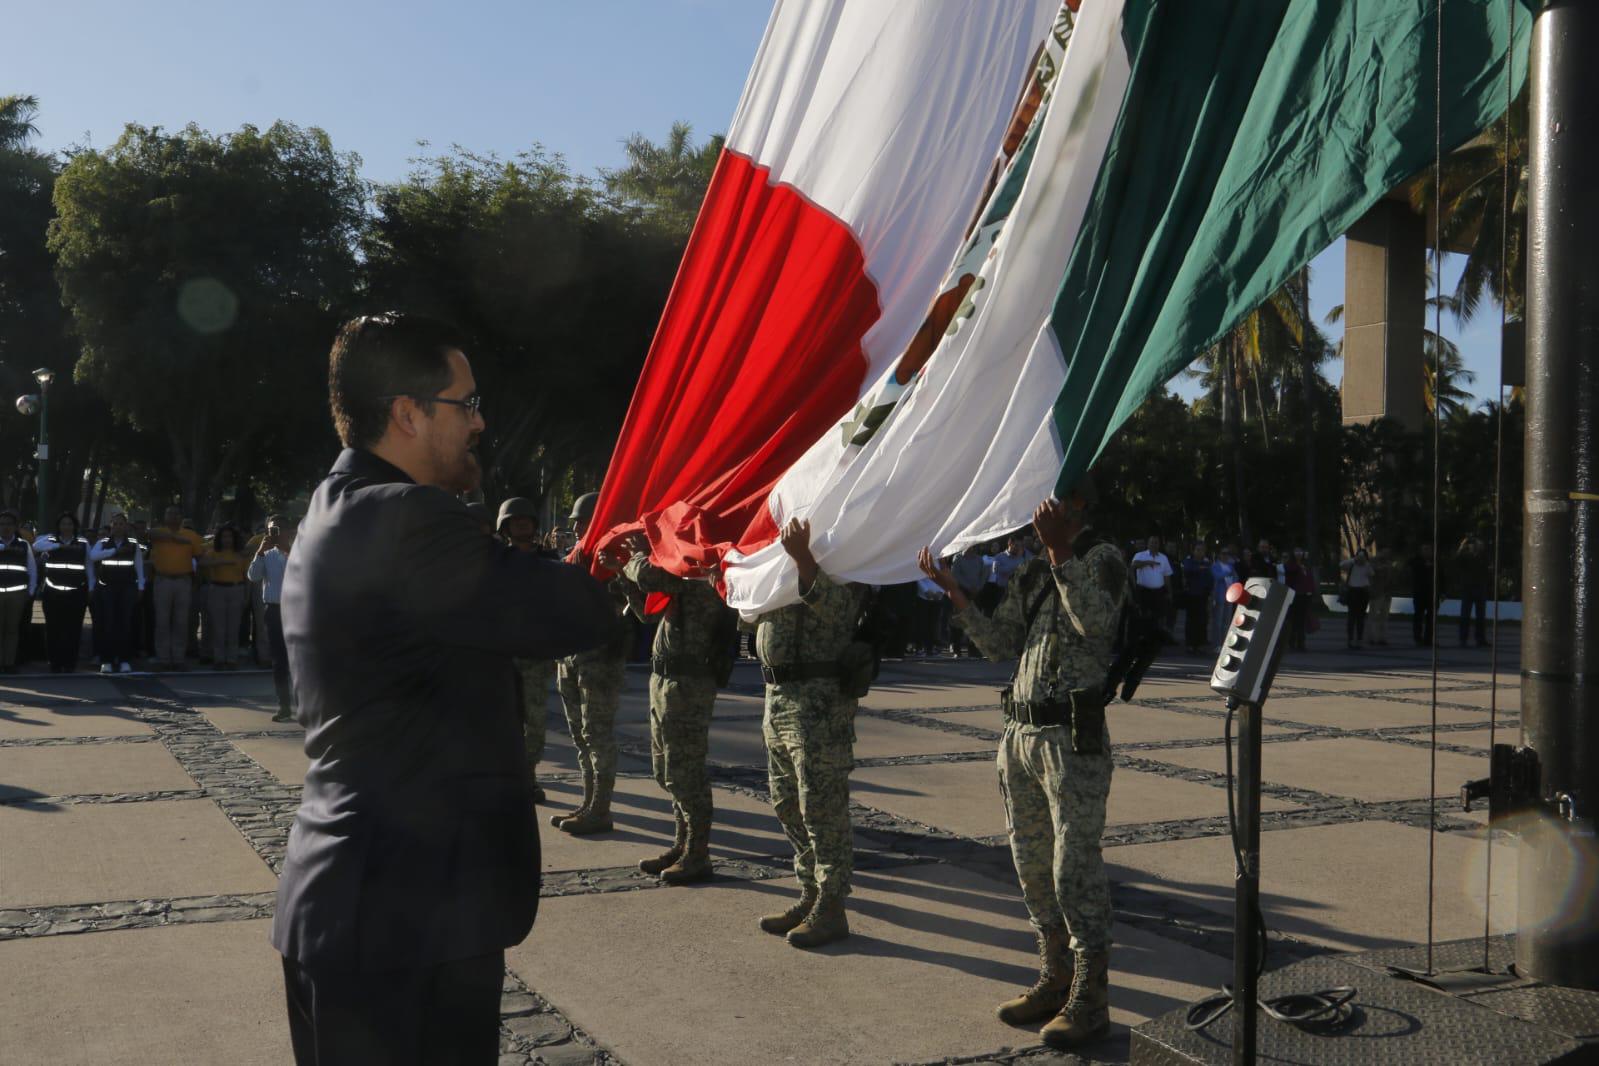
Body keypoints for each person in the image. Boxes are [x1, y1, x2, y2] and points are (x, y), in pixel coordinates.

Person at [272, 312, 613, 1065]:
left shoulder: (338, 506)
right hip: (401, 923)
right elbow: (563, 612)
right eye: (466, 403)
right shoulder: (407, 516)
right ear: (407, 412)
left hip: (363, 908)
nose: (481, 422)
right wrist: (624, 541)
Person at [920, 485, 1125, 1050]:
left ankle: (1091, 997)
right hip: (1021, 735)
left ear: (1078, 505)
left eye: (1055, 499)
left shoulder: (1103, 559)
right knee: (1031, 865)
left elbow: (1096, 624)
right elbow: (999, 644)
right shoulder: (1034, 571)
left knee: (1072, 867)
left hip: (1070, 738)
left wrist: (1061, 552)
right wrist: (954, 592)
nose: (1040, 508)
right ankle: (1055, 975)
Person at [607, 531, 735, 884]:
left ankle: (698, 852)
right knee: (666, 770)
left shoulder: (704, 575)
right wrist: (623, 572)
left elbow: (650, 576)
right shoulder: (680, 577)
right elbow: (647, 615)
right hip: (664, 680)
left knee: (685, 771)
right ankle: (682, 844)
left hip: (688, 684)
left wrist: (639, 556)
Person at [548, 492, 632, 837]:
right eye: (578, 523)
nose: (580, 527)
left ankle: (600, 808)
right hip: (571, 657)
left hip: (599, 658)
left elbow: (630, 603)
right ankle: (588, 802)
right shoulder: (574, 558)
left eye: (585, 521)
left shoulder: (613, 559)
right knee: (581, 738)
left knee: (598, 737)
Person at [498, 497, 557, 805]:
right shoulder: (495, 560)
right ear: (505, 526)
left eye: (526, 519)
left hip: (535, 655)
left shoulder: (551, 561)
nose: (521, 523)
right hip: (501, 655)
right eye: (514, 519)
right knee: (502, 720)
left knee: (534, 721)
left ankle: (528, 778)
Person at [247, 517, 297, 722]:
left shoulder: (299, 550)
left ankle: (304, 705)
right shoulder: (265, 553)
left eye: (277, 529)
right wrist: (260, 551)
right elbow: (253, 576)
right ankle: (284, 705)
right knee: (279, 661)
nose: (273, 534)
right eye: (270, 530)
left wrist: (287, 549)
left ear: (287, 531)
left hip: (296, 610)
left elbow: (304, 570)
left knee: (299, 660)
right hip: (274, 610)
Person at [144, 505, 205, 669]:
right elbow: (147, 533)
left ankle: (178, 658)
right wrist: (175, 538)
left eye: (177, 514)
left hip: (183, 581)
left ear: (182, 517)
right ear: (165, 516)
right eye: (169, 513)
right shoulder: (158, 533)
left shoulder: (191, 536)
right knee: (162, 621)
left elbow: (200, 558)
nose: (173, 516)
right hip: (162, 580)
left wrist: (197, 582)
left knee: (181, 621)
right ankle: (163, 658)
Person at [33, 513, 94, 673]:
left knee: (73, 629)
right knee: (53, 628)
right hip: (53, 592)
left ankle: (69, 663)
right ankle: (55, 662)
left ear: (74, 526)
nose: (66, 527)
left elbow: (89, 566)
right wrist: (58, 546)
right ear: (58, 526)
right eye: (63, 524)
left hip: (76, 592)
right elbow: (36, 546)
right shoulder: (50, 540)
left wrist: (91, 587)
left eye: (69, 524)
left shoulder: (82, 543)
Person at [89, 513, 145, 674]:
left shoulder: (133, 544)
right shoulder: (103, 542)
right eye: (115, 524)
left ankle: (124, 659)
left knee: (125, 623)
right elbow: (93, 556)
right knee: (108, 623)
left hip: (127, 588)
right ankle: (106, 660)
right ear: (111, 526)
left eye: (121, 524)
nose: (118, 527)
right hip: (107, 588)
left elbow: (139, 566)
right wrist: (114, 550)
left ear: (126, 526)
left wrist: (141, 586)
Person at [198, 525, 250, 668]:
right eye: (224, 537)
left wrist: (247, 595)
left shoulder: (241, 554)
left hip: (236, 589)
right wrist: (221, 562)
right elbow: (201, 563)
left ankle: (232, 659)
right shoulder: (213, 552)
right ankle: (219, 659)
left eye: (230, 537)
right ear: (219, 538)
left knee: (233, 628)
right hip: (217, 589)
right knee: (218, 627)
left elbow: (247, 577)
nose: (227, 540)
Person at [0, 510, 38, 672]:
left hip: (17, 594)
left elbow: (32, 569)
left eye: (9, 524)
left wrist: (31, 590)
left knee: (12, 629)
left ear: (15, 526)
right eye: (2, 524)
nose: (5, 527)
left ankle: (8, 663)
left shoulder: (23, 545)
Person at [1454, 536, 1491, 648]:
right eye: (1474, 545)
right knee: (1465, 615)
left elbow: (1488, 567)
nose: (1476, 547)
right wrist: (1462, 546)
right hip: (1468, 588)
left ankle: (1480, 638)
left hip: (1480, 588)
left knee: (1481, 616)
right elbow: (1457, 559)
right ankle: (1463, 639)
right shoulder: (1465, 557)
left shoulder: (1483, 557)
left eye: (1478, 545)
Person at [950, 544, 988, 652]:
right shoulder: (958, 558)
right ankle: (956, 647)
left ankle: (974, 649)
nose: (970, 548)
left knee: (974, 621)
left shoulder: (979, 560)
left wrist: (978, 588)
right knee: (958, 620)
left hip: (976, 594)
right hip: (961, 592)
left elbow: (983, 575)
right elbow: (955, 575)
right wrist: (968, 587)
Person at [1282, 548, 1317, 652]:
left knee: (1302, 620)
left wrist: (1311, 591)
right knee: (1293, 620)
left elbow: (1309, 579)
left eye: (1301, 551)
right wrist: (1297, 566)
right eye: (1296, 551)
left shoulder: (1305, 565)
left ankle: (1301, 643)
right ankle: (1291, 642)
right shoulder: (1291, 565)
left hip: (1305, 596)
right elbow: (1290, 573)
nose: (1299, 554)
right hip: (1294, 595)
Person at [1179, 541, 1211, 654]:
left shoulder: (1206, 562)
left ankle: (1200, 643)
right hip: (1191, 594)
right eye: (1197, 550)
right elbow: (1188, 570)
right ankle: (1190, 643)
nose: (1199, 552)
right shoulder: (1189, 561)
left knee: (1202, 620)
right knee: (1191, 620)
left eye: (1202, 550)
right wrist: (1200, 568)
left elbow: (1209, 577)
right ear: (1193, 551)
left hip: (1203, 595)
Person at [1340, 548, 1374, 649]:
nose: (1361, 559)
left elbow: (1372, 574)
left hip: (1363, 592)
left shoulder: (1367, 566)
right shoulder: (1351, 564)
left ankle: (1359, 639)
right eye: (1359, 557)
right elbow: (1341, 565)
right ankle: (1350, 639)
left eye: (1363, 557)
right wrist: (1353, 560)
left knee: (1361, 618)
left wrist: (1366, 563)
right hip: (1353, 591)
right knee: (1351, 617)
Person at [1210, 545, 1239, 649]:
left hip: (1230, 595)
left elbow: (1236, 578)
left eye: (1227, 554)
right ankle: (1217, 644)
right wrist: (1226, 573)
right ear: (1219, 555)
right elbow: (1216, 576)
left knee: (1227, 621)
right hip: (1219, 596)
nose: (1225, 555)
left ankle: (1225, 643)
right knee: (1218, 621)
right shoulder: (1215, 566)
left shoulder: (1231, 566)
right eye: (1223, 553)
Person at [1407, 542, 1436, 647]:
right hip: (1419, 593)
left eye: (1429, 549)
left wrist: (1442, 591)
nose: (1427, 552)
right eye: (1425, 549)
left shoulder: (1435, 561)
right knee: (1418, 616)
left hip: (1432, 594)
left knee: (1431, 618)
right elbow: (1410, 565)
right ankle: (1418, 638)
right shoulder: (1416, 561)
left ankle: (1428, 639)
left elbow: (1441, 576)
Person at [1367, 547, 1393, 646]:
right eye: (1385, 551)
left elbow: (1391, 578)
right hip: (1376, 593)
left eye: (1388, 552)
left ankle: (1382, 638)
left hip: (1387, 594)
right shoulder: (1373, 562)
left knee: (1384, 616)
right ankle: (1372, 637)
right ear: (1379, 551)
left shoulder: (1389, 563)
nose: (1387, 553)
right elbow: (1371, 575)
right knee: (1373, 615)